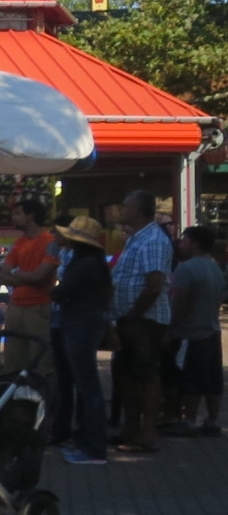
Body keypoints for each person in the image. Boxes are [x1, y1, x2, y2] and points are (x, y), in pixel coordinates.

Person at [109, 188, 172, 453]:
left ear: (137, 210)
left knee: (146, 376)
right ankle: (130, 429)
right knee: (127, 375)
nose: (121, 210)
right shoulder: (137, 238)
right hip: (129, 319)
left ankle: (147, 434)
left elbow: (154, 284)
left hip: (144, 321)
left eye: (125, 206)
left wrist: (135, 314)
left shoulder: (153, 240)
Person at [51, 216, 113, 465]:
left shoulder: (84, 263)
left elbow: (61, 291)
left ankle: (94, 448)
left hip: (80, 322)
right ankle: (87, 441)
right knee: (86, 384)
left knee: (88, 386)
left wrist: (53, 290)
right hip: (84, 321)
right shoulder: (92, 261)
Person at [164, 224, 225, 437]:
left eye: (185, 241)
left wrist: (170, 329)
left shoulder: (186, 269)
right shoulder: (215, 268)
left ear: (195, 245)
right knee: (213, 379)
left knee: (191, 378)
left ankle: (188, 420)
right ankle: (212, 420)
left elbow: (179, 302)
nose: (180, 244)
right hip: (212, 330)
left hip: (190, 334)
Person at [0, 200, 57, 377]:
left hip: (38, 307)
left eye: (18, 214)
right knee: (13, 359)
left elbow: (40, 276)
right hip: (16, 306)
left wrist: (17, 274)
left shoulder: (50, 242)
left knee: (41, 359)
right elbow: (3, 275)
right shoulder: (19, 243)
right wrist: (28, 277)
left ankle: (42, 393)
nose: (13, 218)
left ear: (30, 216)